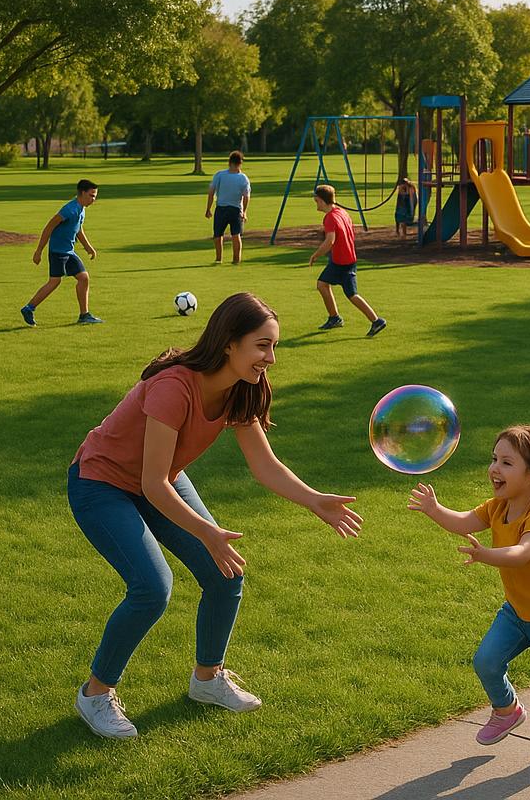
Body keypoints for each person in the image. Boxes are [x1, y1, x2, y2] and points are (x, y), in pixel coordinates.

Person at [67, 292, 363, 739]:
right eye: (262, 346)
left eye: (274, 346)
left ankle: (207, 679)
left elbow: (264, 465)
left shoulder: (243, 388)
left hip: (159, 479)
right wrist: (208, 532)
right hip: (102, 482)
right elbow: (152, 485)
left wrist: (314, 499)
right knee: (151, 587)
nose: (272, 358)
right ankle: (95, 693)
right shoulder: (174, 386)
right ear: (230, 342)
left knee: (225, 576)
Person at [407, 425, 530, 753]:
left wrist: (486, 555)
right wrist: (434, 510)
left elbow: (523, 553)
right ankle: (507, 710)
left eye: (507, 463)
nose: (494, 468)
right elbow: (463, 522)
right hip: (517, 611)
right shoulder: (498, 506)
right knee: (485, 661)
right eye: (494, 459)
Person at [21, 179, 103, 327]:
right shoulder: (69, 209)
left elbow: (78, 229)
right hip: (58, 252)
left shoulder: (81, 209)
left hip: (69, 252)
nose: (93, 199)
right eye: (91, 195)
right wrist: (38, 251)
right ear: (82, 193)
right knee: (55, 281)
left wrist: (88, 247)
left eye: (95, 196)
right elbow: (48, 228)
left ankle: (84, 315)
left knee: (84, 278)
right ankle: (29, 308)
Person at [310, 184, 386, 336]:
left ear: (323, 201)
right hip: (348, 259)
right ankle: (335, 317)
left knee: (349, 294)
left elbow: (330, 241)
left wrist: (316, 255)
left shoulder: (330, 218)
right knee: (324, 285)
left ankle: (375, 321)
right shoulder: (342, 212)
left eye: (317, 201)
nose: (316, 204)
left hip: (341, 262)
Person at [206, 151, 251, 264]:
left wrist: (208, 209)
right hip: (236, 209)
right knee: (236, 235)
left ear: (229, 162)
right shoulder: (243, 178)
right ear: (240, 163)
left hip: (221, 208)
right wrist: (244, 212)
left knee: (218, 235)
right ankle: (236, 260)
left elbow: (211, 192)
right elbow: (246, 196)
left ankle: (218, 259)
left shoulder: (220, 175)